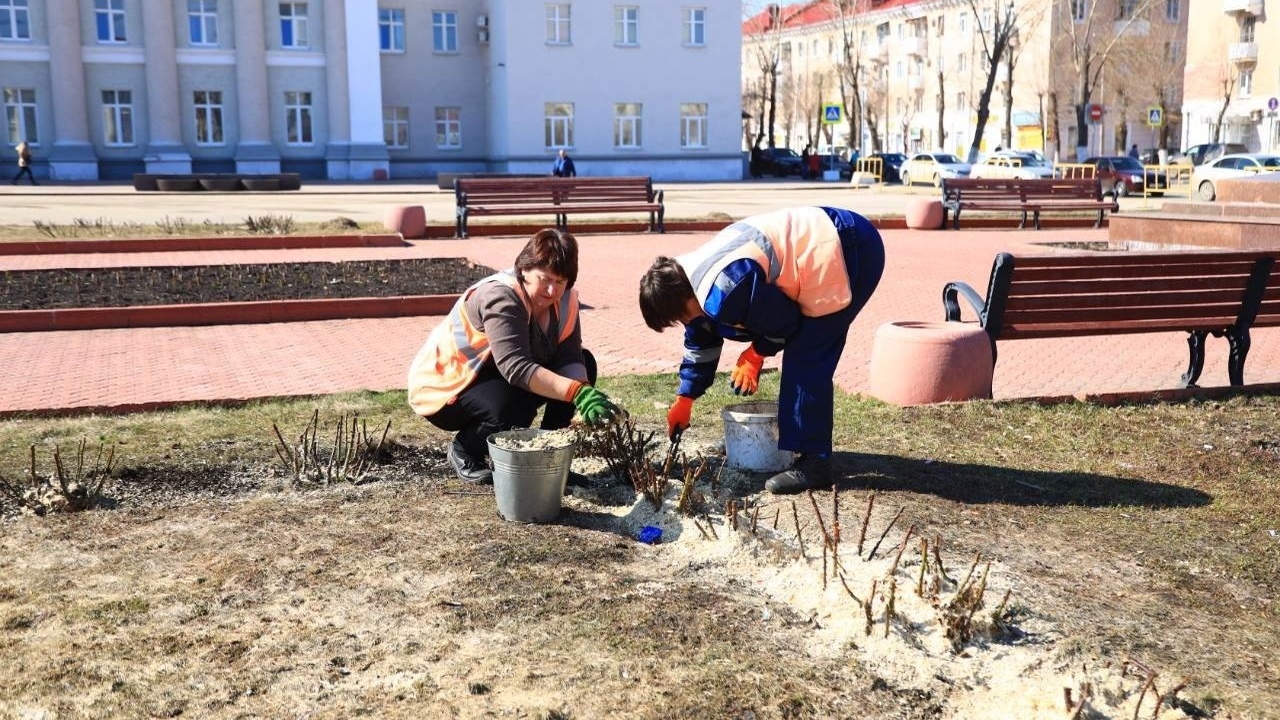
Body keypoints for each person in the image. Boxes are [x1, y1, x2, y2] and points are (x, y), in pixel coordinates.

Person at [638, 206, 885, 495]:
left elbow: (786, 323)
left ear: (680, 301)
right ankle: (802, 445)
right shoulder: (687, 280)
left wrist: (755, 355)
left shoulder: (726, 288)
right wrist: (686, 397)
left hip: (845, 248)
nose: (684, 323)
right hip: (828, 238)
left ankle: (815, 464)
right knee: (803, 349)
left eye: (679, 317)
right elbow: (701, 337)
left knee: (807, 354)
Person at [408, 228, 621, 484]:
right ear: (524, 269)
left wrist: (585, 392)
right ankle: (465, 449)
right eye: (546, 279)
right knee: (512, 407)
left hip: (492, 373)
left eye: (561, 282)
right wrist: (577, 393)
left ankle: (549, 456)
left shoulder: (566, 300)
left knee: (585, 364)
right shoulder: (501, 297)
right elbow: (516, 368)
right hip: (448, 386)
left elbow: (569, 356)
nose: (553, 291)